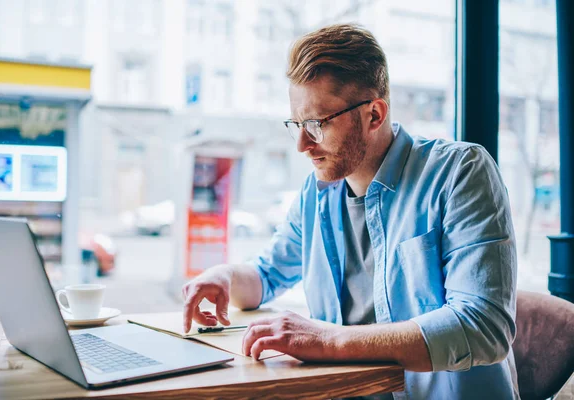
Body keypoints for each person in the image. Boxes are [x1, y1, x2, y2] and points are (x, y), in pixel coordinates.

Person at [182, 24, 518, 400]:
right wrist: (223, 277)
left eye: (316, 124)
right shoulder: (318, 192)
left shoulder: (460, 172)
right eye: (296, 123)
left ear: (374, 114)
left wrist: (329, 340)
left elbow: (482, 327)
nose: (301, 144)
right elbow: (267, 273)